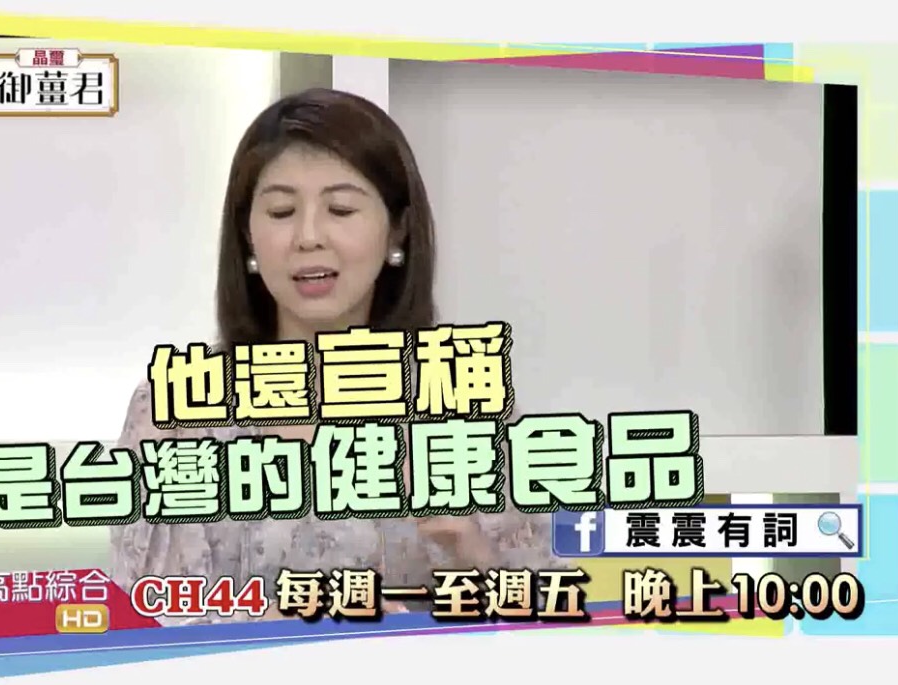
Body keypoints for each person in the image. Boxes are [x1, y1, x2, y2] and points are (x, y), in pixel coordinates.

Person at [110, 88, 566, 624]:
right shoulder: (174, 409)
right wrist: (297, 621)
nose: (308, 237)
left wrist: (470, 551)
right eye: (281, 211)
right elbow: (141, 623)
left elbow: (547, 624)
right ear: (247, 236)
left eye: (341, 209)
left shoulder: (462, 398)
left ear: (397, 228)